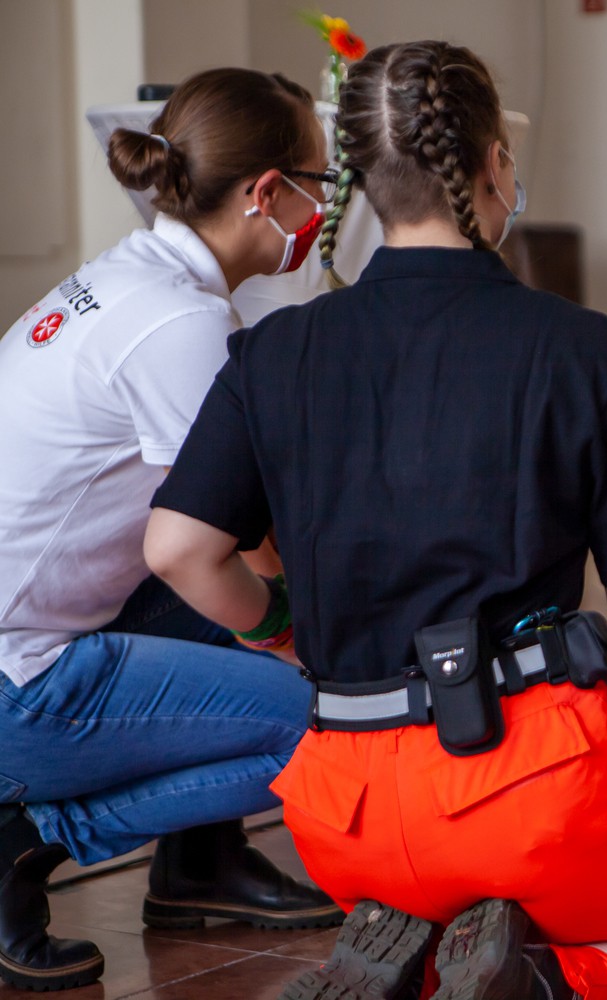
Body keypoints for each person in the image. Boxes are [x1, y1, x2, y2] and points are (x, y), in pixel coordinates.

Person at [143, 40, 607, 1000]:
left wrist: (279, 629)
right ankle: (537, 982)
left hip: (344, 813)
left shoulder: (275, 349)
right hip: (532, 790)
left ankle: (415, 954)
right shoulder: (584, 351)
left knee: (446, 873)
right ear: (494, 164)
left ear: (360, 186)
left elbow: (175, 548)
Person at [0, 67, 343, 992]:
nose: (328, 208)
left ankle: (200, 866)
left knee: (234, 619)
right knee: (325, 725)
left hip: (28, 628)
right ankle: (25, 838)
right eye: (322, 182)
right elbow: (240, 532)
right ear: (266, 192)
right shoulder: (177, 324)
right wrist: (295, 639)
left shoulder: (127, 276)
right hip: (19, 683)